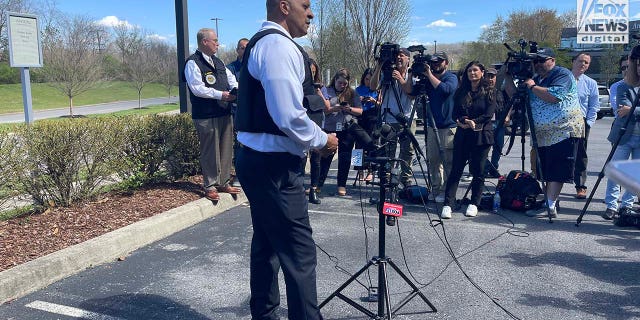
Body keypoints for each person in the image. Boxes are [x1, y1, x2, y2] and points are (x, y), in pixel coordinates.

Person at [234, 0, 338, 319]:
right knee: (299, 253)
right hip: (274, 165)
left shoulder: (262, 44)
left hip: (257, 160)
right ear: (283, 7)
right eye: (305, 5)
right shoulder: (279, 47)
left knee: (267, 242)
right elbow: (288, 116)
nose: (310, 13)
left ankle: (264, 314)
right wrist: (323, 140)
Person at [505, 47, 584, 218]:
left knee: (557, 170)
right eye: (535, 61)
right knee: (544, 170)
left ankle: (550, 205)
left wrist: (533, 87)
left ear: (553, 60)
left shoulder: (561, 74)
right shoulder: (535, 77)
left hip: (563, 131)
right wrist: (507, 77)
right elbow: (515, 94)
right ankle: (549, 201)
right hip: (542, 134)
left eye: (542, 60)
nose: (538, 64)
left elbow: (555, 96)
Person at [184, 28, 240, 202]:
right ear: (204, 42)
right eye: (215, 40)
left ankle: (223, 182)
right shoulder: (193, 63)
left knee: (226, 148)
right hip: (205, 115)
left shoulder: (219, 62)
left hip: (223, 112)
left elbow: (232, 81)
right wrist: (221, 95)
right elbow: (197, 88)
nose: (218, 43)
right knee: (209, 151)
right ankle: (209, 185)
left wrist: (238, 90)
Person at [440, 61, 496, 219]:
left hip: (481, 136)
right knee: (455, 170)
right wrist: (462, 120)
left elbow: (488, 114)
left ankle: (474, 203)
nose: (472, 73)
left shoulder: (490, 91)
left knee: (478, 171)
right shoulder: (461, 91)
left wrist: (475, 122)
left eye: (475, 70)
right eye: (469, 71)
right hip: (462, 135)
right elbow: (454, 113)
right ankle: (448, 204)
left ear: (482, 72)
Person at [411, 51, 458, 202]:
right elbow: (412, 92)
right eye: (433, 62)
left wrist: (429, 75)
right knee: (433, 161)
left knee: (448, 162)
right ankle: (436, 188)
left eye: (439, 62)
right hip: (432, 125)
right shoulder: (427, 80)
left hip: (448, 126)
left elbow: (446, 90)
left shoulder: (451, 77)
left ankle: (446, 191)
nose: (436, 65)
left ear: (446, 63)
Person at [370, 47, 416, 188]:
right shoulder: (387, 74)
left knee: (407, 151)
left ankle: (405, 179)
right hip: (388, 119)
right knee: (388, 150)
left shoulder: (412, 75)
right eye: (397, 56)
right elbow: (373, 87)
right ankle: (386, 177)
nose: (399, 58)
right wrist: (379, 66)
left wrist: (401, 80)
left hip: (406, 118)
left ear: (408, 59)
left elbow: (411, 94)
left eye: (402, 56)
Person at [603, 55, 640, 220]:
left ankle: (627, 205)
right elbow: (622, 110)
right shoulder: (622, 86)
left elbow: (629, 110)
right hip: (624, 136)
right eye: (637, 65)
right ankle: (611, 205)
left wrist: (633, 109)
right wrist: (631, 110)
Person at [319, 68, 363, 196]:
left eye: (345, 83)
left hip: (346, 128)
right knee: (325, 157)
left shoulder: (352, 93)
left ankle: (341, 184)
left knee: (345, 158)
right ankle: (318, 184)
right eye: (340, 83)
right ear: (335, 80)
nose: (342, 85)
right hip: (330, 128)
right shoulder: (326, 91)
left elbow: (360, 111)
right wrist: (335, 108)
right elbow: (324, 110)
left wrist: (348, 109)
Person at [571, 52, 599, 199]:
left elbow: (594, 106)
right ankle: (553, 184)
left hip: (581, 122)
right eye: (581, 61)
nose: (583, 64)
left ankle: (580, 185)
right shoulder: (563, 79)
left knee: (581, 155)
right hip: (562, 121)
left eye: (586, 62)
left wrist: (588, 123)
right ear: (573, 61)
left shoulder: (591, 83)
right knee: (559, 152)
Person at [306, 58, 330, 204]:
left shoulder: (321, 88)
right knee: (301, 158)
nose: (312, 74)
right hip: (304, 123)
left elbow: (327, 107)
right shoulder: (300, 86)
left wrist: (319, 91)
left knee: (316, 159)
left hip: (317, 123)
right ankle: (299, 187)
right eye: (310, 71)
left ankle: (314, 189)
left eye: (314, 72)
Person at [226, 38, 249, 188]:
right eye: (241, 48)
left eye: (247, 47)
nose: (244, 50)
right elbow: (232, 88)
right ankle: (239, 175)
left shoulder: (255, 66)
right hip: (236, 111)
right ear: (237, 50)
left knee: (251, 144)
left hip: (252, 111)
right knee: (239, 144)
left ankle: (251, 173)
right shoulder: (230, 68)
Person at [355, 68, 380, 182]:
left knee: (372, 144)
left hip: (372, 117)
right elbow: (353, 103)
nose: (368, 82)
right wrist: (359, 100)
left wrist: (372, 100)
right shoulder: (358, 89)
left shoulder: (377, 90)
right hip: (360, 116)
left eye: (371, 80)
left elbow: (381, 103)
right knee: (358, 145)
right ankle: (359, 170)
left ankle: (371, 170)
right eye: (366, 79)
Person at [483, 67, 508, 178]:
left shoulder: (501, 92)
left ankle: (494, 168)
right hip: (485, 124)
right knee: (483, 148)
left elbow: (509, 104)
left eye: (492, 76)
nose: (490, 79)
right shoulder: (480, 91)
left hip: (499, 123)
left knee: (498, 148)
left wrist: (508, 116)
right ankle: (485, 168)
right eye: (487, 76)